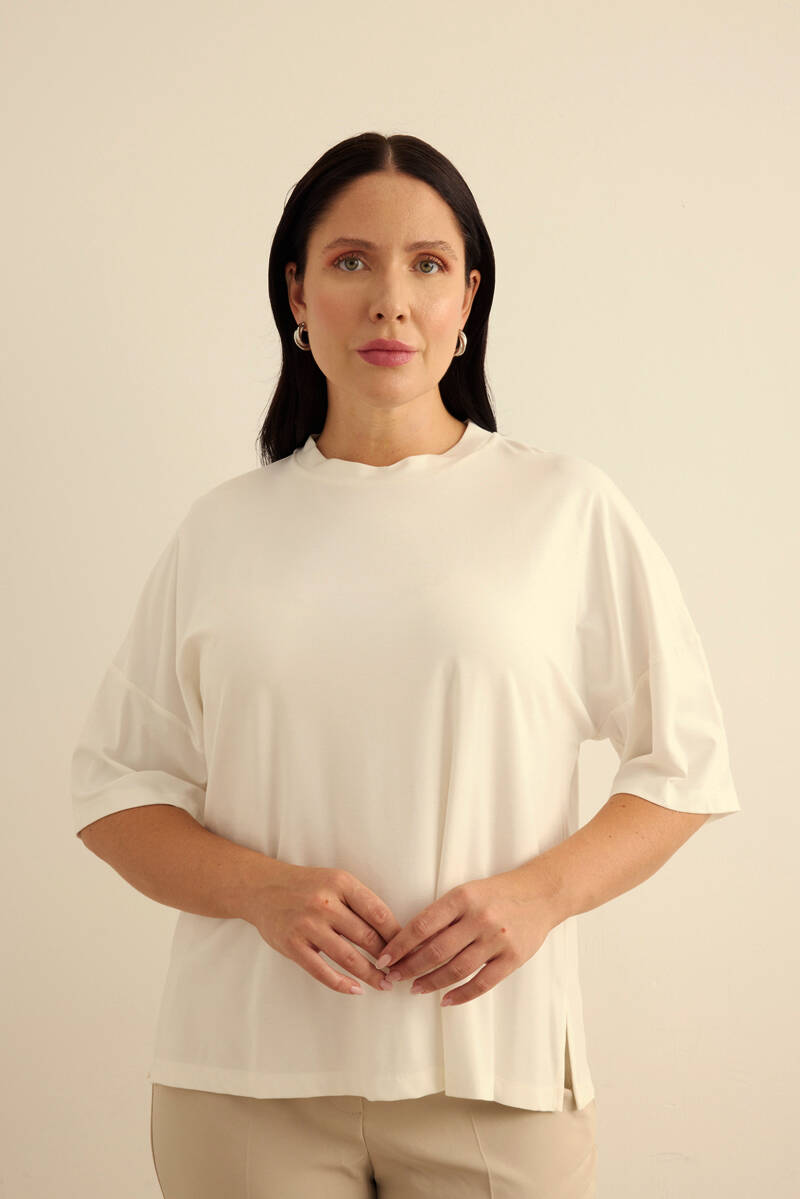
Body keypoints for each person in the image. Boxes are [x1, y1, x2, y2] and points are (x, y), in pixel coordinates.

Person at [71, 131, 741, 1199]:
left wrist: (539, 896)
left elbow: (685, 764)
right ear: (297, 292)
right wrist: (258, 890)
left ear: (468, 297)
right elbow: (116, 788)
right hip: (244, 1079)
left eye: (427, 264)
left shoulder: (564, 508)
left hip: (494, 1075)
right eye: (351, 261)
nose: (390, 301)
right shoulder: (222, 530)